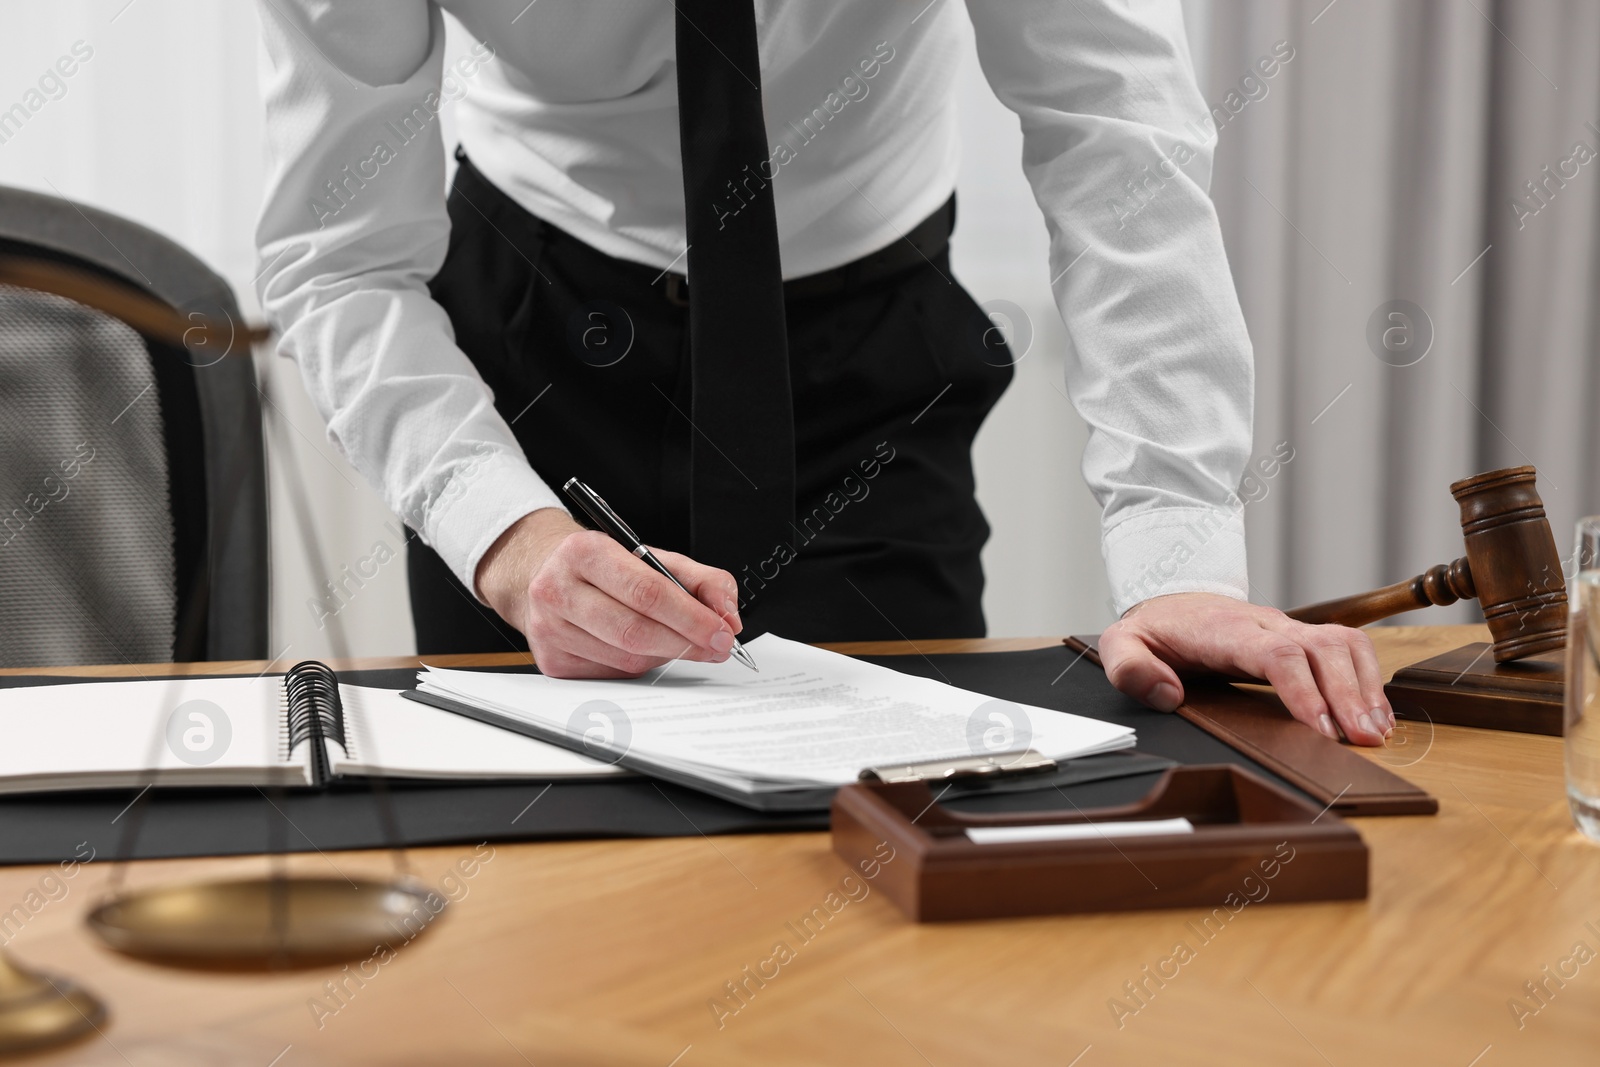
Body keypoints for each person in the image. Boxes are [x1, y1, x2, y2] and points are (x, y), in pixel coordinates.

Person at [255, 0, 1394, 747]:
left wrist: (1176, 551)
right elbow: (338, 252)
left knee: (889, 845)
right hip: (528, 349)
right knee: (524, 888)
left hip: (859, 356)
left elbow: (1114, 131)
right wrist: (499, 532)